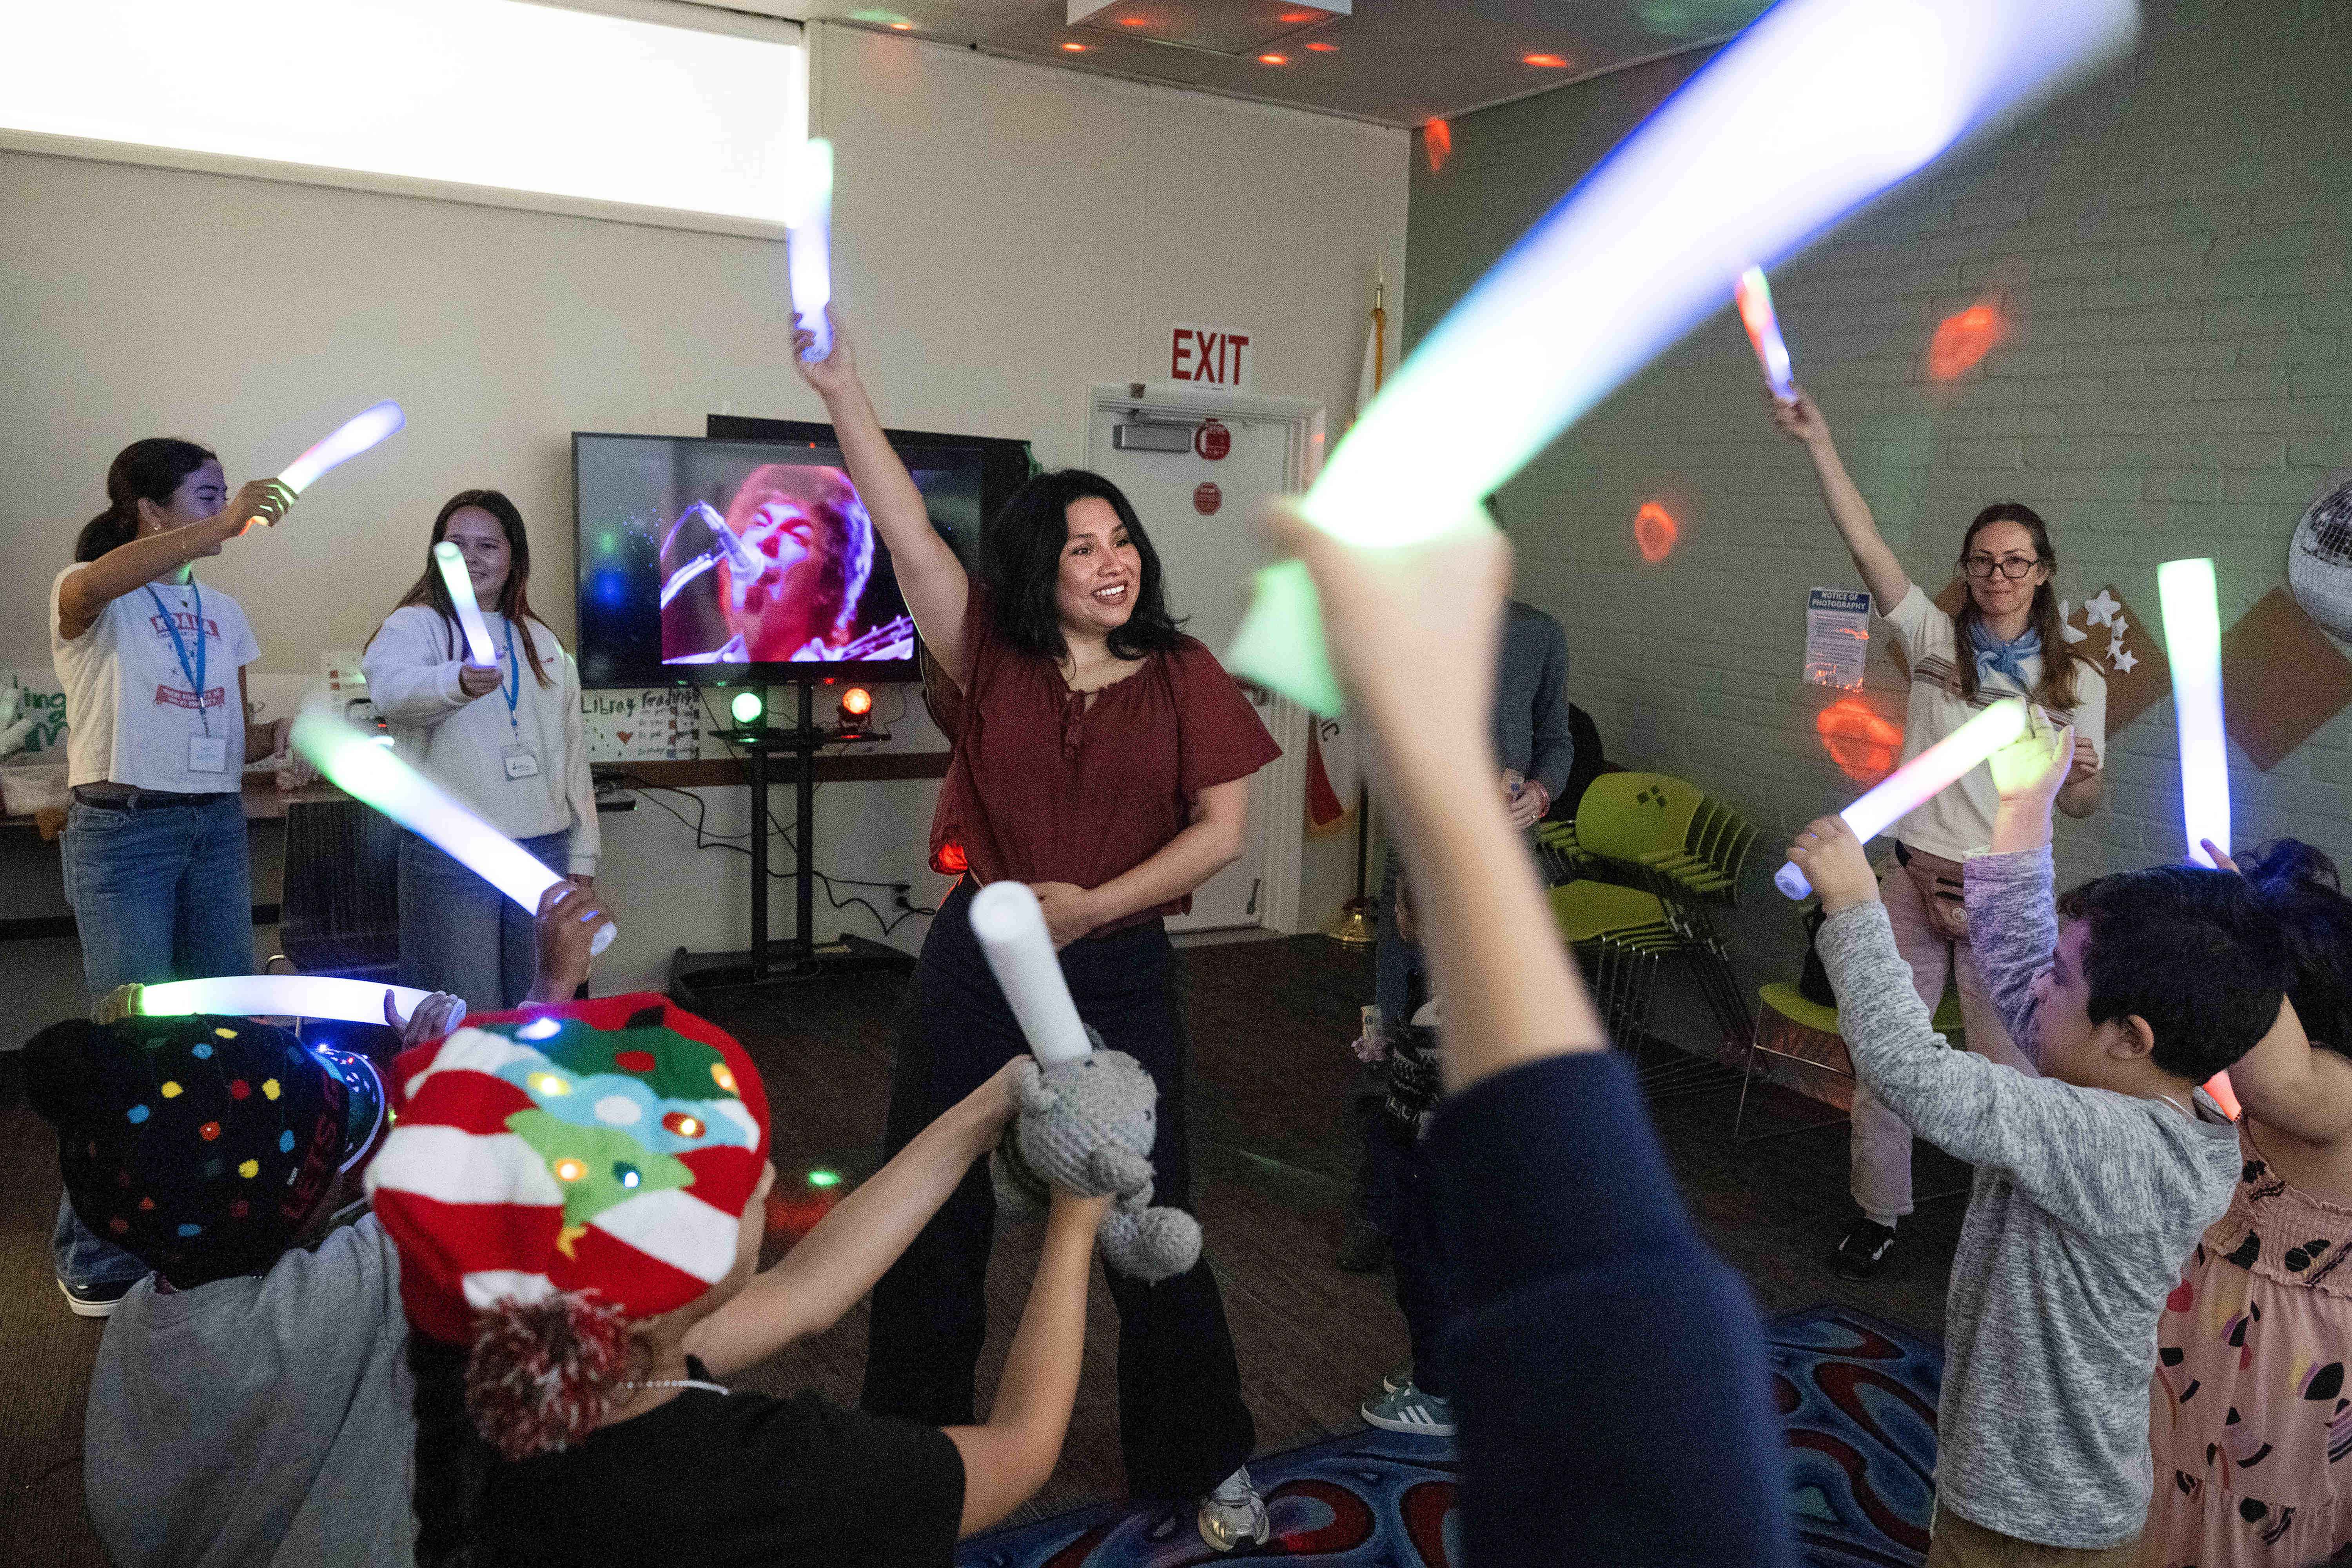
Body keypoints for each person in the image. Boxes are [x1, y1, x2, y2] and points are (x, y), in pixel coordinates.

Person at [789, 310, 1280, 1550]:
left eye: (1122, 540)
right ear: (1035, 568)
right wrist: (844, 384)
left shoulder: (1184, 675)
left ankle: (1202, 1458)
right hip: (975, 970)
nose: (1111, 563)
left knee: (1146, 1216)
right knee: (929, 1207)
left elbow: (1222, 834)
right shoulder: (988, 658)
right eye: (1081, 547)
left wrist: (1096, 906)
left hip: (1114, 973)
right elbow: (903, 528)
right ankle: (909, 1469)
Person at [1265, 500, 1799, 1566]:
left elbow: (1558, 735)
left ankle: (1462, 1238)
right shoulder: (1410, 639)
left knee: (1490, 1064)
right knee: (1412, 1045)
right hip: (1426, 854)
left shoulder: (1541, 636)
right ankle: (1395, 1204)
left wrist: (1535, 791)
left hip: (1498, 849)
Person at [1785, 715, 2289, 1565]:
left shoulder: (2109, 1139)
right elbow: (2022, 960)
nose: (2031, 987)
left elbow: (1914, 1073)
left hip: (2032, 1519)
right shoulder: (2152, 1093)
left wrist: (1855, 904)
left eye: (2062, 977)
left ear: (2129, 1034)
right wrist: (2024, 802)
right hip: (2046, 1489)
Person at [375, 991, 1114, 1566]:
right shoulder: (767, 1483)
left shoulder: (512, 1363)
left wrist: (990, 1107)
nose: (763, 1179)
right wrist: (1075, 1227)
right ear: (663, 1289)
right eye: (733, 1187)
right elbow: (1021, 1450)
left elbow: (807, 1294)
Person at [22, 897, 603, 1565]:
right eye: (341, 1152)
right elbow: (501, 1155)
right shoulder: (339, 1299)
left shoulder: (139, 1319)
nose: (361, 1162)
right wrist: (551, 989)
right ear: (289, 1209)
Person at [1772, 388, 2108, 1279]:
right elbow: (1867, 543)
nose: (1997, 574)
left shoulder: (2074, 679)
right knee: (1883, 1057)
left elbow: (2078, 808)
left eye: (2015, 560)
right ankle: (1878, 1213)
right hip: (1911, 878)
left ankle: (2014, 1236)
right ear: (1969, 566)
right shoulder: (1931, 636)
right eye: (1983, 559)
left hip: (2006, 893)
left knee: (2010, 1079)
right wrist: (1821, 442)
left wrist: (2084, 778)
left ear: (2042, 570)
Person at [48, 437, 296, 1315]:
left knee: (220, 1030)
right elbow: (89, 591)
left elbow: (226, 721)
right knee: (127, 1039)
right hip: (125, 832)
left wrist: (274, 743)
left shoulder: (225, 614)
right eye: (207, 494)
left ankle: (208, 1218)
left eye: (227, 494)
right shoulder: (92, 588)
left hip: (213, 829)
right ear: (151, 510)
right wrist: (219, 528)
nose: (228, 507)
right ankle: (94, 1249)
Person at [2147, 840, 2352, 1568]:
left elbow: (2277, 1083)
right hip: (2216, 1328)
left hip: (2282, 1363)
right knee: (2174, 1469)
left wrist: (2236, 937)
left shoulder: (2333, 1088)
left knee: (2238, 1504)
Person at [363, 490, 599, 1011]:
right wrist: (457, 683)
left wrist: (583, 853)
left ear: (514, 557)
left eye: (488, 546)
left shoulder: (543, 642)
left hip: (544, 849)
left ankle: (528, 1096)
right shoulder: (414, 625)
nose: (472, 558)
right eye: (457, 545)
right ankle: (461, 1094)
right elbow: (393, 693)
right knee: (465, 1008)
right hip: (455, 853)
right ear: (436, 554)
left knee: (542, 1004)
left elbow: (572, 755)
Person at [659, 465, 898, 664]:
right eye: (760, 523)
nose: (766, 540)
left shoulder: (859, 666)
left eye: (796, 535)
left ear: (829, 585)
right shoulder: (683, 670)